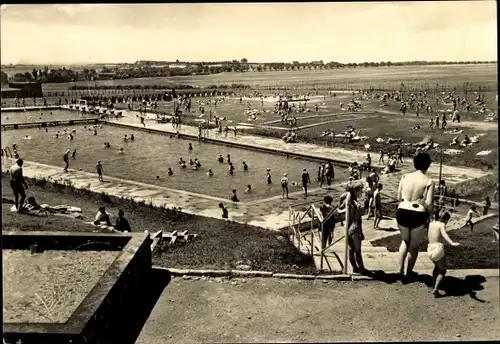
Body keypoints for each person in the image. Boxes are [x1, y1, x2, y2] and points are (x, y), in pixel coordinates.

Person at [396, 152, 434, 282]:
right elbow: (428, 203)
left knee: (404, 241)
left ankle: (399, 270)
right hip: (418, 213)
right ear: (428, 165)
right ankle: (408, 273)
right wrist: (431, 215)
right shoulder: (428, 181)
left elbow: (398, 197)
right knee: (413, 245)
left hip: (402, 210)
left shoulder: (405, 176)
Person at [427, 212, 460, 298]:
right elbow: (444, 235)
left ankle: (433, 284)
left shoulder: (431, 223)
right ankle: (436, 290)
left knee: (436, 267)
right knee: (442, 270)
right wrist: (451, 242)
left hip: (430, 248)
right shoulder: (442, 225)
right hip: (438, 248)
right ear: (445, 219)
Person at [338, 181, 367, 274]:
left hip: (348, 228)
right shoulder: (355, 204)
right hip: (355, 228)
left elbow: (340, 206)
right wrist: (360, 232)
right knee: (358, 251)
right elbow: (358, 220)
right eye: (360, 191)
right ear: (355, 191)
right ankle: (362, 269)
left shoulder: (348, 202)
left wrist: (343, 196)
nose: (362, 193)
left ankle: (354, 268)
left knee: (351, 250)